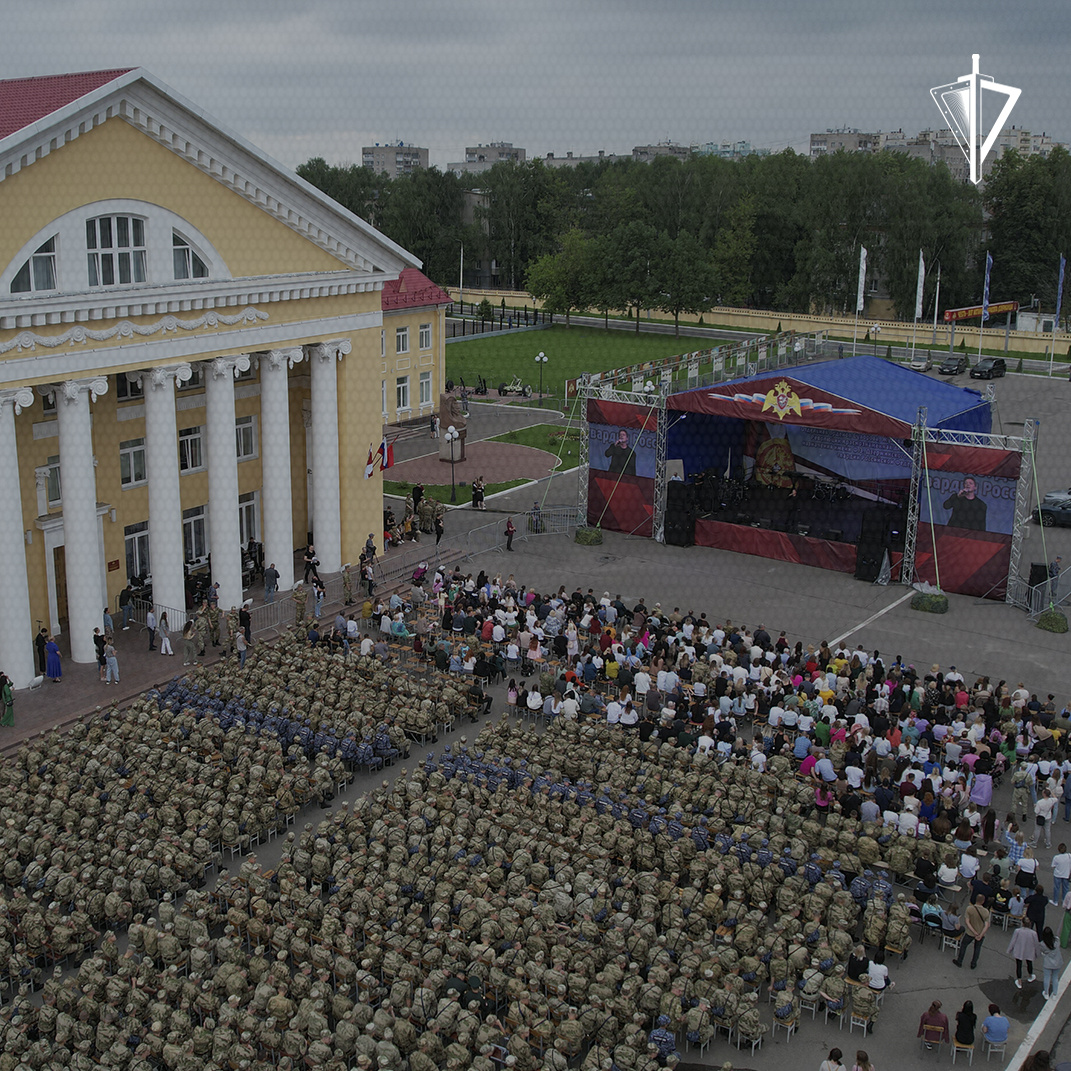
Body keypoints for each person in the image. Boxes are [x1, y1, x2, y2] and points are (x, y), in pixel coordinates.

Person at [953, 893, 991, 970]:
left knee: (963, 946)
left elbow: (967, 922)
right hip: (981, 933)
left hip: (970, 933)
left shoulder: (969, 909)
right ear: (983, 901)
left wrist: (974, 932)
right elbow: (987, 925)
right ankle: (973, 964)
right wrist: (980, 934)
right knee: (977, 948)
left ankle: (959, 961)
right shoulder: (986, 912)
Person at [1008, 920, 1041, 987]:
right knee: (1029, 963)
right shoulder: (1033, 933)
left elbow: (1013, 941)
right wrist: (1038, 953)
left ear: (1022, 923)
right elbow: (1036, 944)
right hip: (1029, 951)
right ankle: (1030, 975)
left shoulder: (1017, 931)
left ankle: (1019, 981)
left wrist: (1009, 950)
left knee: (1019, 965)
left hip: (1019, 950)